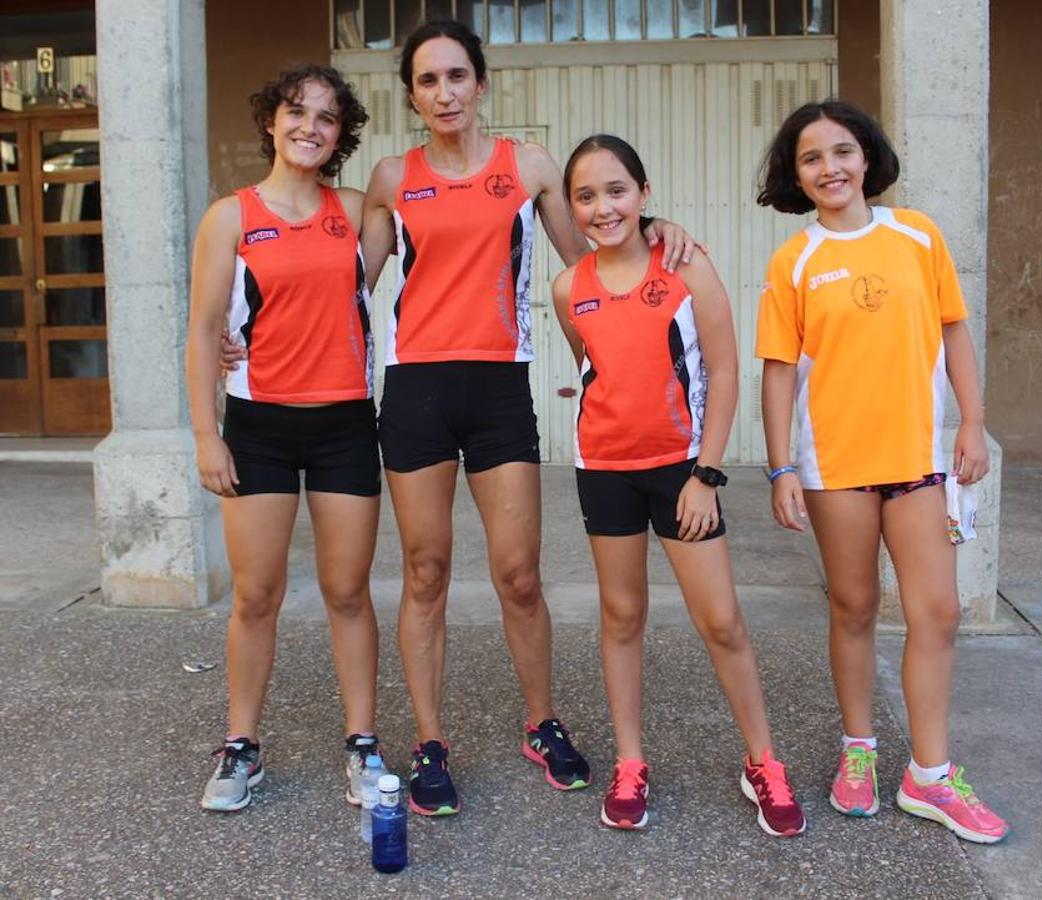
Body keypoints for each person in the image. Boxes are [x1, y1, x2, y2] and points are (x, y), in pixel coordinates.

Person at [357, 20, 698, 817]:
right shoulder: (389, 176)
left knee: (517, 574)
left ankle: (542, 723)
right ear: (411, 93)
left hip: (499, 388)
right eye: (427, 80)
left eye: (456, 76)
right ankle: (431, 742)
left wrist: (658, 229)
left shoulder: (530, 167)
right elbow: (345, 283)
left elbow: (600, 255)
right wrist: (242, 338)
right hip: (414, 391)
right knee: (425, 572)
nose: (443, 92)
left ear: (480, 83)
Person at [755, 100, 1008, 843]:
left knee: (937, 612)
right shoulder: (793, 260)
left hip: (919, 462)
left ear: (866, 157)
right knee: (854, 608)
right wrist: (780, 467)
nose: (828, 168)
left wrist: (970, 419)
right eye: (810, 158)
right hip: (834, 467)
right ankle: (858, 750)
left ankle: (928, 776)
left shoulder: (915, 235)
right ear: (794, 176)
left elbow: (952, 330)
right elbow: (776, 374)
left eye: (841, 151)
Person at [551, 134, 806, 836]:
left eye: (615, 191)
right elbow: (594, 364)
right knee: (621, 617)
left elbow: (724, 371)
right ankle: (630, 762)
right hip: (602, 471)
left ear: (642, 194)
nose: (601, 207)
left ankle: (763, 762)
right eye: (585, 196)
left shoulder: (687, 267)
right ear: (571, 209)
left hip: (680, 472)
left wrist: (706, 475)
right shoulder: (568, 286)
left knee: (720, 621)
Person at [187, 65, 387, 811]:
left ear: (342, 135)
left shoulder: (362, 210)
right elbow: (205, 329)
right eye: (296, 111)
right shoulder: (230, 217)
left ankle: (362, 744)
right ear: (270, 120)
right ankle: (241, 746)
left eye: (327, 117)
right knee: (257, 594)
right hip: (260, 425)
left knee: (345, 590)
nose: (309, 126)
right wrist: (207, 434)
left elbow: (434, 206)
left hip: (343, 422)